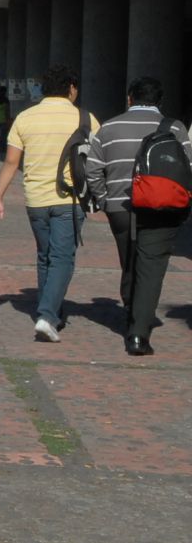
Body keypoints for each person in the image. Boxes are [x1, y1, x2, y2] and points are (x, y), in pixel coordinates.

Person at [0, 64, 99, 343]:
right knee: (62, 257)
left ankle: (51, 310)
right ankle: (47, 315)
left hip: (35, 200)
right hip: (70, 199)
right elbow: (97, 162)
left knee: (45, 255)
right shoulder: (86, 118)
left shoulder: (25, 117)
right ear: (72, 88)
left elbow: (11, 162)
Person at [85, 76, 192, 356]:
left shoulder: (109, 127)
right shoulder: (176, 128)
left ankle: (133, 310)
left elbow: (93, 170)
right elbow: (188, 169)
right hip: (162, 208)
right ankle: (138, 333)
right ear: (160, 101)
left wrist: (105, 199)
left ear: (130, 98)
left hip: (120, 207)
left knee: (130, 261)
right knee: (151, 267)